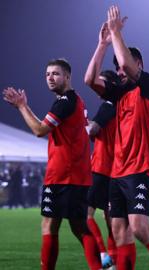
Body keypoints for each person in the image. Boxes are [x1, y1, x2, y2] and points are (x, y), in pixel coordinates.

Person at [84, 6, 149, 269]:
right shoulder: (118, 95)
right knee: (120, 230)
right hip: (117, 172)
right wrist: (102, 44)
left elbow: (125, 63)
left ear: (140, 65)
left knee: (139, 229)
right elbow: (89, 78)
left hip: (140, 169)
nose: (120, 72)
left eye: (125, 68)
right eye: (118, 70)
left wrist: (115, 33)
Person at [3, 59, 102, 269]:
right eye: (47, 74)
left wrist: (22, 106)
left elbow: (39, 130)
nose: (50, 78)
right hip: (76, 174)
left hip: (63, 175)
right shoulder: (75, 100)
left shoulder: (65, 102)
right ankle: (99, 266)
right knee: (77, 227)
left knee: (52, 225)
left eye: (55, 74)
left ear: (67, 76)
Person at [84, 70, 121, 269]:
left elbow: (93, 130)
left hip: (100, 167)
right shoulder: (119, 106)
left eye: (102, 83)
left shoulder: (107, 105)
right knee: (109, 218)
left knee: (85, 214)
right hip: (115, 169)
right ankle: (113, 260)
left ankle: (103, 254)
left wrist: (82, 127)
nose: (98, 86)